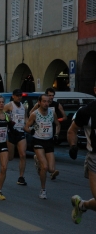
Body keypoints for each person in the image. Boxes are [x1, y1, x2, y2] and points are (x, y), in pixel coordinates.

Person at [67, 83, 96, 224]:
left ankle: (81, 205)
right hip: (94, 159)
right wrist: (73, 145)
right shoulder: (86, 111)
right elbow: (72, 130)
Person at [24, 94, 60, 199]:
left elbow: (58, 124)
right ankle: (43, 189)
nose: (46, 103)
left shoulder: (52, 112)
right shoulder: (34, 114)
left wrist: (57, 134)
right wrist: (31, 130)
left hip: (49, 141)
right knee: (45, 166)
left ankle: (37, 160)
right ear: (39, 102)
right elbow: (26, 126)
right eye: (44, 101)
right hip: (38, 140)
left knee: (51, 169)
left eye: (48, 101)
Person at [4, 89, 28, 185]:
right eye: (17, 95)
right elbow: (0, 114)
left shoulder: (24, 106)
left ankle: (21, 177)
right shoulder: (9, 105)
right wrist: (8, 121)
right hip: (11, 133)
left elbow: (25, 117)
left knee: (23, 155)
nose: (19, 97)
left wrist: (28, 125)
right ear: (13, 96)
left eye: (20, 95)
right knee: (10, 157)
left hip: (21, 132)